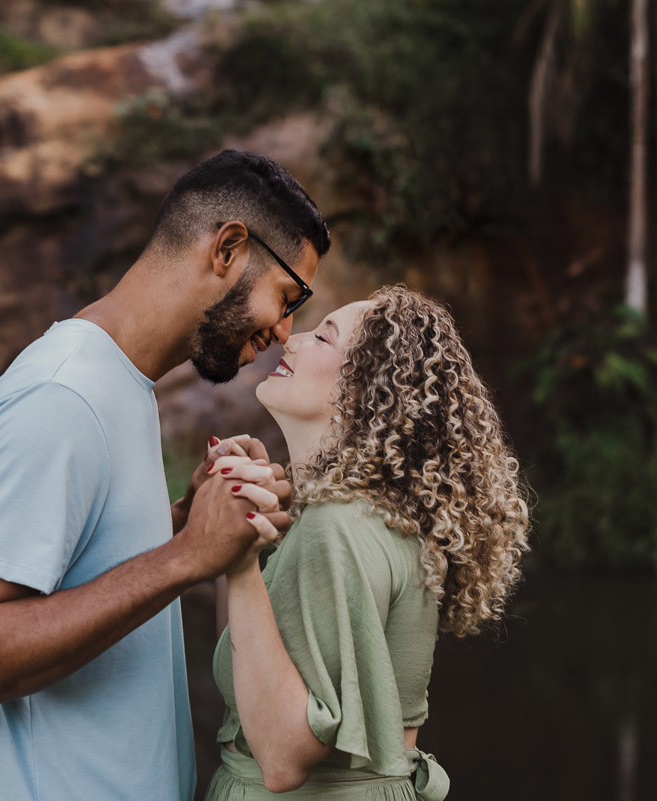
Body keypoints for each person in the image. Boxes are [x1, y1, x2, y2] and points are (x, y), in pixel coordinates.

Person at [0, 149, 330, 801]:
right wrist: (185, 556)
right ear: (227, 249)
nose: (283, 331)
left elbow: (71, 566)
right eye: (287, 298)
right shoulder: (59, 397)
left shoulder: (119, 385)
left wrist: (182, 520)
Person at [204, 285, 532, 800]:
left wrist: (244, 570)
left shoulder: (336, 527)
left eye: (324, 337)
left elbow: (284, 760)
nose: (292, 341)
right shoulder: (375, 518)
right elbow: (256, 674)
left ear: (366, 390)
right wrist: (241, 534)